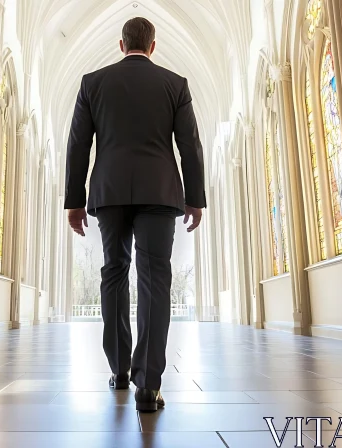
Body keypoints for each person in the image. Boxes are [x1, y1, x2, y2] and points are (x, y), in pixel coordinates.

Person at [63, 17, 206, 412]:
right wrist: (195, 198)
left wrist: (74, 201)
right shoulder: (175, 85)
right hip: (160, 191)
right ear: (153, 46)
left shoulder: (93, 83)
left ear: (121, 44)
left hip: (109, 192)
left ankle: (120, 370)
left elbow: (78, 146)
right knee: (155, 278)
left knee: (114, 272)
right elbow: (190, 147)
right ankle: (149, 383)